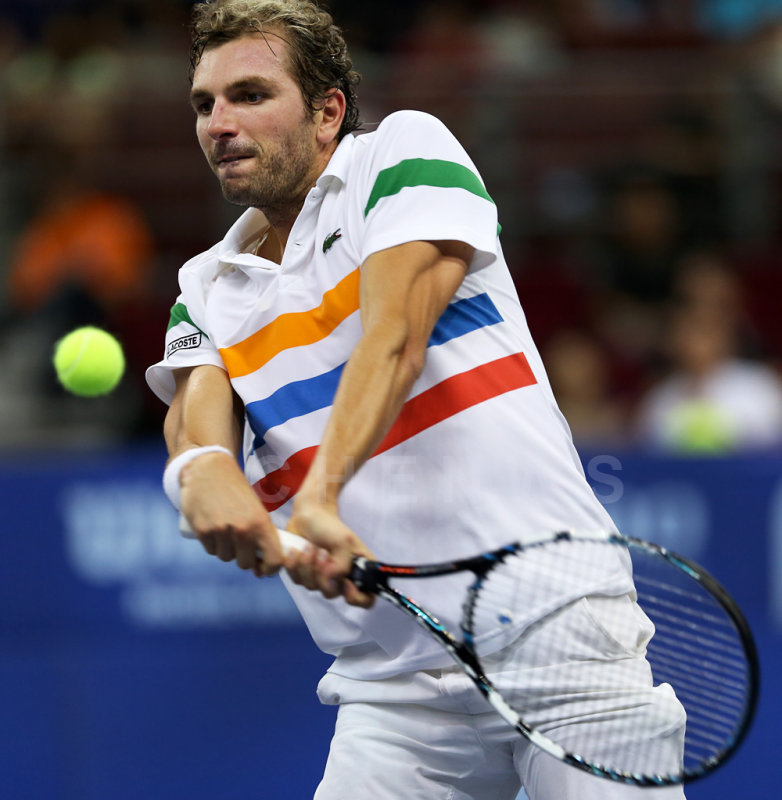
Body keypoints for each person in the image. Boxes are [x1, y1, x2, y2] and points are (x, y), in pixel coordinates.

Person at [146, 2, 686, 798]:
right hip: (393, 690)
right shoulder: (204, 289)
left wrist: (321, 494)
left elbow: (395, 335)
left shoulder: (402, 154)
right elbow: (196, 422)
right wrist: (201, 474)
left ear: (329, 110)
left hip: (556, 630)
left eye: (250, 95)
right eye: (204, 104)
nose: (219, 123)